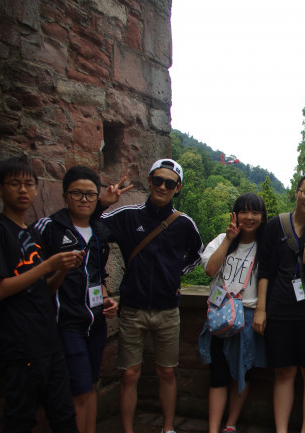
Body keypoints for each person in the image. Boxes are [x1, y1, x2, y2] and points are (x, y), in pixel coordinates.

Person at [99, 158, 203, 433]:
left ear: (177, 188)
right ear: (149, 180)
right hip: (132, 308)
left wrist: (175, 275)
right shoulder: (128, 216)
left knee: (167, 372)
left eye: (169, 183)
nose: (162, 186)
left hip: (167, 310)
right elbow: (93, 228)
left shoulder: (183, 223)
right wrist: (103, 202)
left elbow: (197, 254)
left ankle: (168, 428)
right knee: (129, 374)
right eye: (158, 180)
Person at [0, 156, 83, 432]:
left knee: (64, 416)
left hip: (48, 340)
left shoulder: (29, 233)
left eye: (29, 184)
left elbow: (45, 288)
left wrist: (61, 269)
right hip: (19, 344)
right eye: (14, 184)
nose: (23, 190)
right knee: (21, 419)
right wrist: (48, 265)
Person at [33, 166, 119, 433]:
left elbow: (97, 277)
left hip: (94, 323)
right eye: (77, 193)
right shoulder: (50, 228)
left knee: (91, 386)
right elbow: (34, 281)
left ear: (97, 198)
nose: (84, 199)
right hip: (66, 322)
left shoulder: (99, 232)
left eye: (90, 195)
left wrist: (106, 298)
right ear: (65, 195)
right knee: (79, 391)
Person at [253, 173, 305, 433]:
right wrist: (261, 308)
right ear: (297, 192)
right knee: (284, 372)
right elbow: (265, 270)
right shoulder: (274, 226)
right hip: (280, 310)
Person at [200, 193, 268, 433]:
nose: (249, 217)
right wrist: (229, 239)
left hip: (248, 316)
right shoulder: (221, 239)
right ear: (235, 213)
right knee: (218, 374)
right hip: (220, 314)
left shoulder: (265, 246)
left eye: (255, 212)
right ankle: (212, 428)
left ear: (262, 216)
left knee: (242, 373)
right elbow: (210, 270)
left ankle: (230, 425)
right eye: (244, 211)